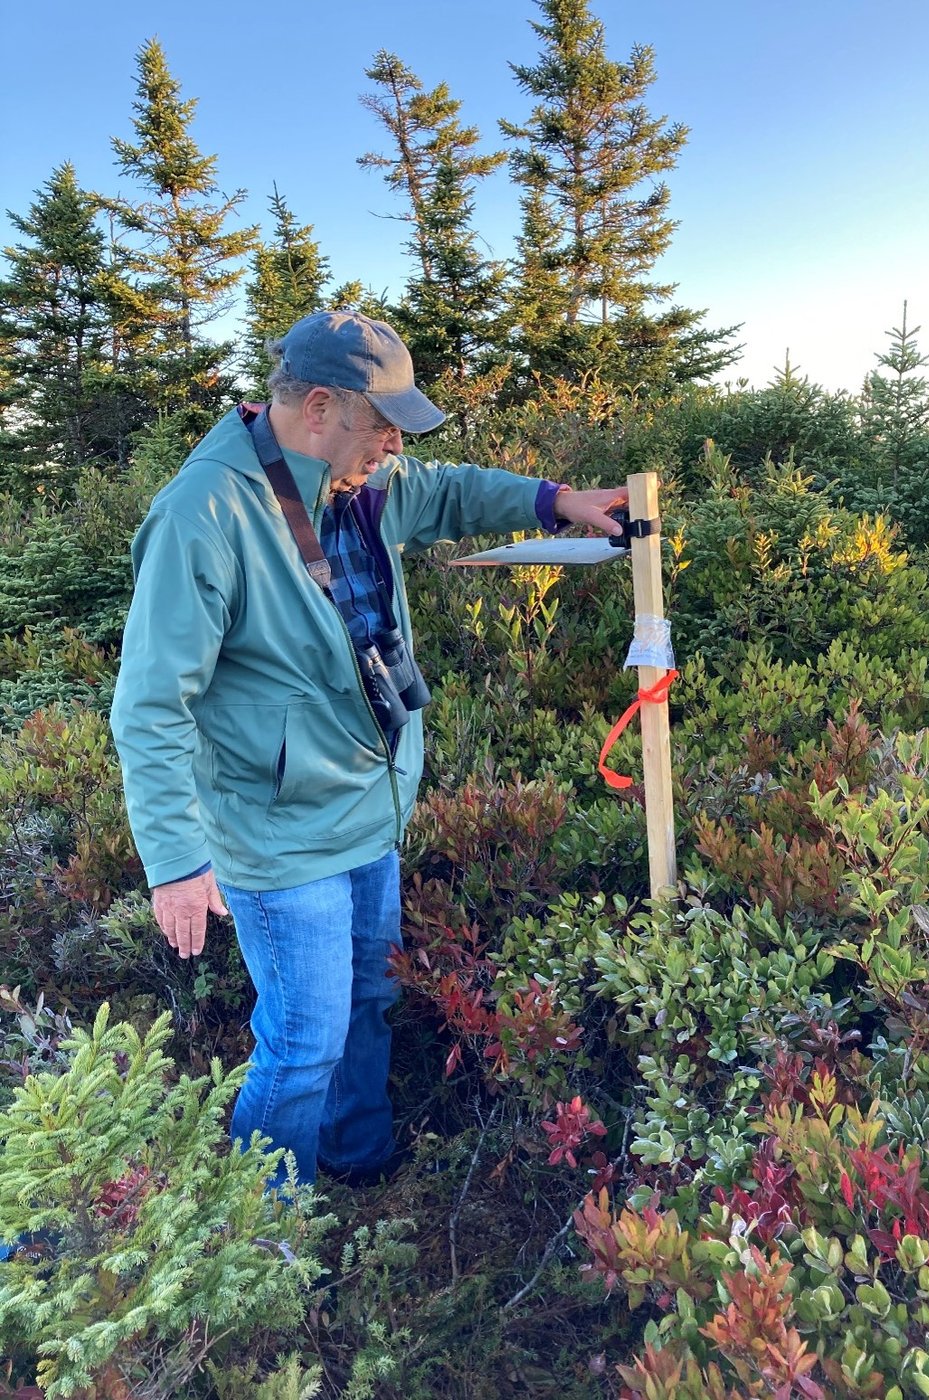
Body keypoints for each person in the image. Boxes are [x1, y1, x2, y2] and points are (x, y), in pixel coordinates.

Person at [110, 310, 626, 1189]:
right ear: (319, 407)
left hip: (366, 809)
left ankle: (358, 1165)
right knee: (303, 1046)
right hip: (278, 836)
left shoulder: (361, 478)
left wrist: (556, 501)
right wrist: (174, 860)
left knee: (368, 1006)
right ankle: (259, 1235)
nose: (393, 443)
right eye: (381, 423)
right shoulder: (203, 515)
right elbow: (153, 705)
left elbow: (450, 489)